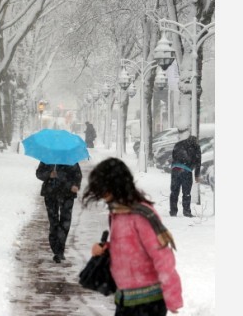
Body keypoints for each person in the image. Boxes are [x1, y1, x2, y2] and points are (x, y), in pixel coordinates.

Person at [82, 157, 183, 316]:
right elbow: (128, 247)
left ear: (115, 184)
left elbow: (162, 257)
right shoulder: (118, 213)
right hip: (125, 300)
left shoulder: (141, 215)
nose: (101, 194)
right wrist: (106, 248)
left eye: (103, 188)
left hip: (148, 303)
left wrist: (172, 296)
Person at [36, 162, 82, 263]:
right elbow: (39, 173)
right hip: (50, 193)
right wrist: (49, 174)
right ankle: (56, 249)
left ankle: (59, 250)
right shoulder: (47, 158)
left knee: (66, 222)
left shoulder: (71, 159)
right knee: (54, 222)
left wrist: (76, 185)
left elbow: (78, 175)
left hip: (68, 193)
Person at [170, 134, 202, 217]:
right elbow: (198, 162)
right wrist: (197, 175)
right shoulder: (196, 147)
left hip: (175, 169)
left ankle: (173, 211)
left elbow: (173, 155)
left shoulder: (179, 144)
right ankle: (186, 212)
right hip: (186, 171)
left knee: (174, 192)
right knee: (186, 192)